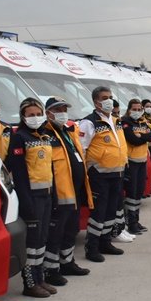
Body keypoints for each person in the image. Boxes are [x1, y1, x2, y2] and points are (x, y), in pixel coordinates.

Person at [5, 97, 55, 297]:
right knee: (32, 242)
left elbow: (49, 168)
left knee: (42, 239)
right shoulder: (20, 137)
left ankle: (40, 277)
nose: (35, 118)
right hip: (31, 197)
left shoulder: (44, 136)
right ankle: (30, 283)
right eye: (30, 115)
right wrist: (26, 202)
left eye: (38, 114)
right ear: (23, 117)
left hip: (47, 194)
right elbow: (18, 172)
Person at [42, 97, 93, 286]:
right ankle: (51, 269)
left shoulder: (68, 132)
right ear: (48, 113)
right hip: (59, 194)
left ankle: (67, 262)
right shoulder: (44, 135)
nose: (62, 112)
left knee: (71, 230)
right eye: (58, 109)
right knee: (55, 233)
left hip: (74, 191)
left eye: (64, 108)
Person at [78, 87, 127, 263]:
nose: (109, 101)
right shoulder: (89, 123)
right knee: (98, 212)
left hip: (117, 172)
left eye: (110, 97)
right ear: (95, 102)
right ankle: (92, 247)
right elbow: (81, 149)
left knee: (111, 210)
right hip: (99, 175)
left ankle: (105, 242)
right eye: (105, 98)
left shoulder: (115, 120)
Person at [121, 99, 151, 235]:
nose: (137, 112)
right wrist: (144, 136)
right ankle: (130, 222)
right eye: (134, 109)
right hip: (131, 162)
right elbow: (133, 140)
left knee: (139, 193)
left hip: (142, 161)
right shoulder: (125, 122)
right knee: (131, 192)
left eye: (138, 109)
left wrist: (141, 135)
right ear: (129, 109)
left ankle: (135, 220)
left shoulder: (142, 121)